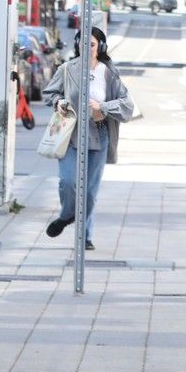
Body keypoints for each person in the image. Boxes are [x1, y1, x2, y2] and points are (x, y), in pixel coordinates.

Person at [43, 27, 133, 250]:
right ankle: (67, 215)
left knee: (90, 192)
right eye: (83, 44)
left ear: (100, 47)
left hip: (99, 134)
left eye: (91, 44)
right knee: (68, 182)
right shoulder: (66, 69)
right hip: (70, 133)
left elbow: (127, 105)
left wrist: (102, 106)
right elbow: (50, 94)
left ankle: (84, 236)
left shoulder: (109, 73)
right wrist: (58, 103)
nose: (87, 48)